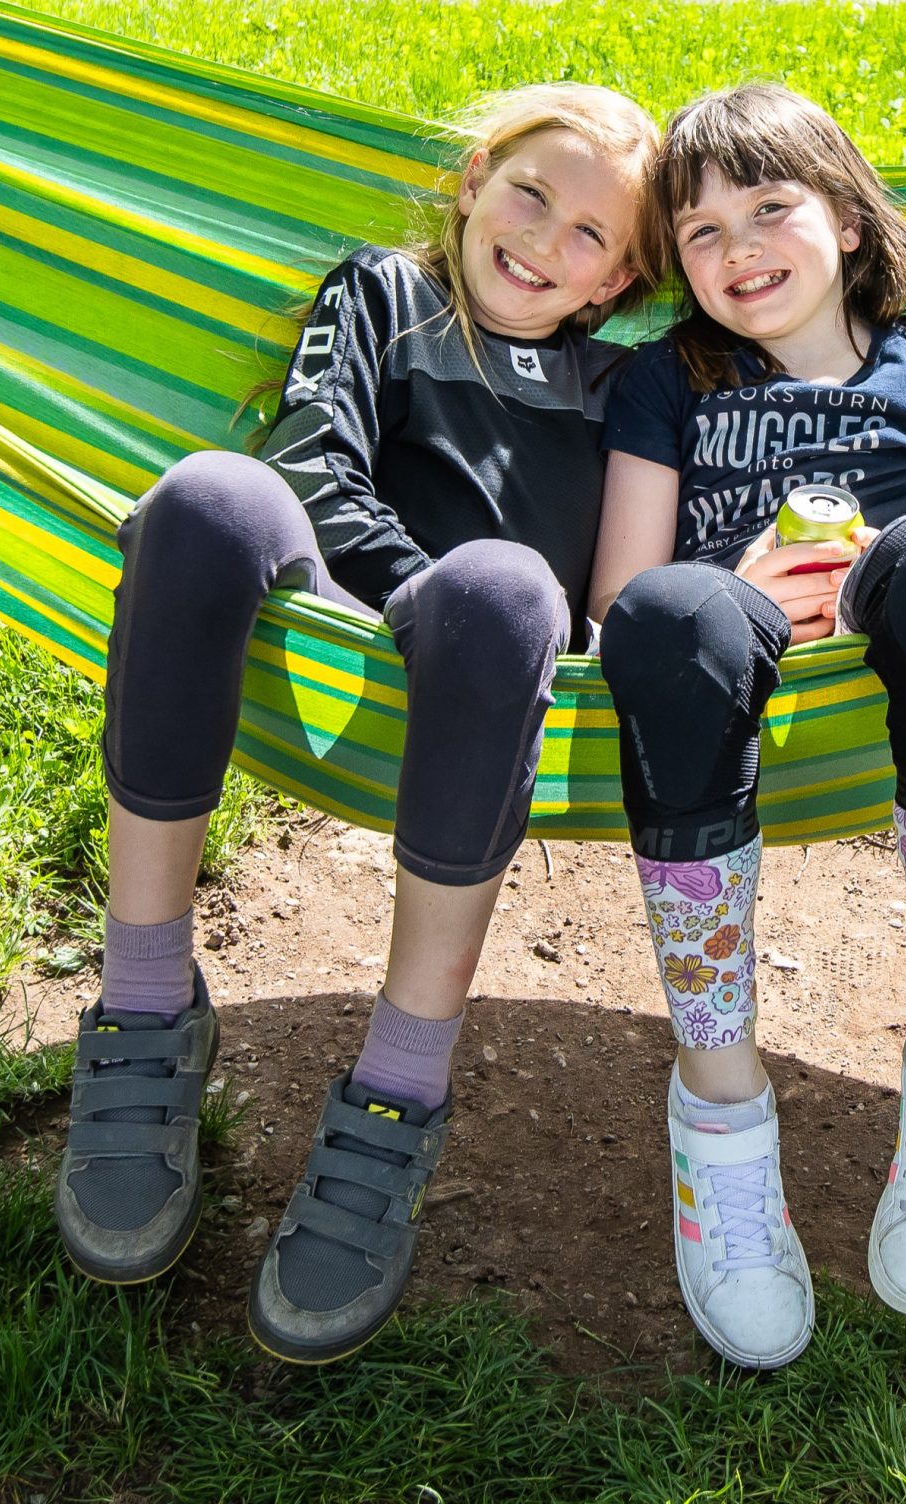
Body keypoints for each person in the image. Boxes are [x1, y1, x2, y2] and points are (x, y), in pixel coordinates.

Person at [56, 84, 659, 1365]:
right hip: (341, 608)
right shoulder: (384, 294)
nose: (543, 239)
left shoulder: (626, 390)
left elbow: (629, 570)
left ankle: (399, 1084)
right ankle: (146, 1002)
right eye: (529, 193)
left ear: (615, 284)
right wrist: (397, 605)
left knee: (500, 585)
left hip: (501, 654)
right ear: (471, 182)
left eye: (588, 236)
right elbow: (313, 459)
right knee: (210, 496)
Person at [589, 85, 906, 1371]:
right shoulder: (664, 380)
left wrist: (864, 565)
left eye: (768, 207)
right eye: (698, 232)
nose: (737, 248)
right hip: (726, 639)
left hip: (903, 630)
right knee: (672, 613)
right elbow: (616, 596)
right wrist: (750, 572)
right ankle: (720, 1110)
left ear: (849, 221)